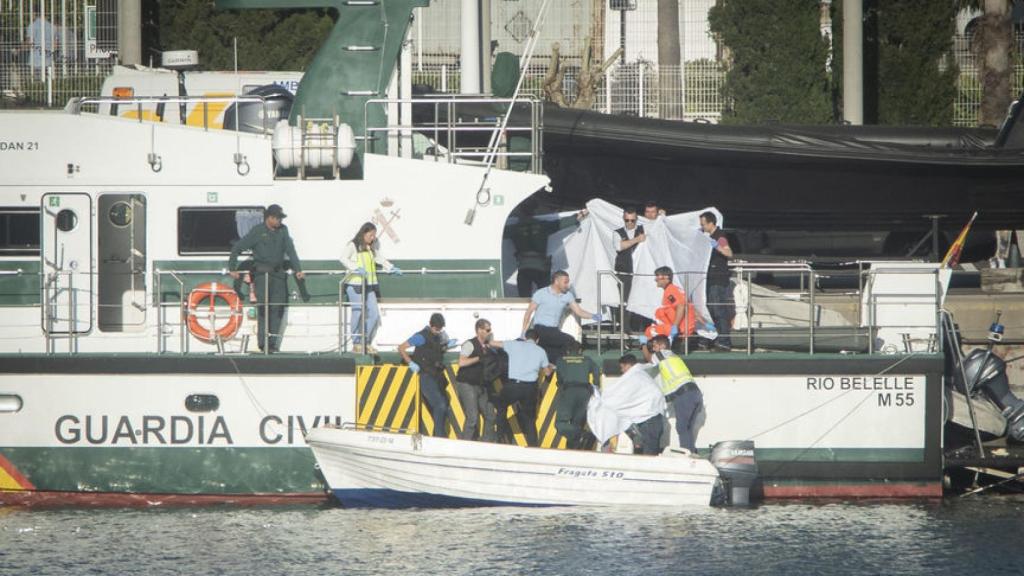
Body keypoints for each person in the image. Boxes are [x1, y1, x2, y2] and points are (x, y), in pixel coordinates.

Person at [228, 204, 304, 353]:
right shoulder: (257, 231)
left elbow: (291, 250)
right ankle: (263, 343)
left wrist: (298, 270)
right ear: (270, 218)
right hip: (262, 276)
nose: (280, 221)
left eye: (281, 218)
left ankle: (273, 343)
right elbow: (237, 248)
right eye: (277, 218)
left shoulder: (283, 230)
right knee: (264, 308)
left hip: (278, 275)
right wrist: (232, 268)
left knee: (278, 307)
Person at [586, 354, 667, 455]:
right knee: (651, 447)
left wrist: (599, 399)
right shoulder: (641, 373)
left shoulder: (632, 376)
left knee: (649, 451)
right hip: (655, 414)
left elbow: (617, 396)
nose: (622, 371)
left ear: (627, 365)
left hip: (648, 418)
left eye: (622, 367)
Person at [342, 222, 401, 354]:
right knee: (357, 312)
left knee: (374, 314)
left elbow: (379, 259)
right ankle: (356, 343)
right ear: (363, 233)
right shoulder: (353, 245)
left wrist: (391, 268)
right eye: (370, 235)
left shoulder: (370, 248)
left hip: (368, 285)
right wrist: (355, 268)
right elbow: (343, 258)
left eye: (374, 235)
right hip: (355, 285)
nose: (373, 238)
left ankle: (365, 342)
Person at [521, 270, 602, 363]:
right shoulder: (541, 293)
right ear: (556, 281)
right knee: (570, 341)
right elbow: (528, 313)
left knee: (552, 349)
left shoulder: (567, 295)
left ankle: (551, 364)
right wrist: (523, 332)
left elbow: (579, 311)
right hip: (539, 329)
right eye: (565, 282)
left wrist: (594, 316)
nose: (567, 285)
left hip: (553, 330)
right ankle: (560, 364)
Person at [399, 313, 458, 438]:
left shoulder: (438, 337)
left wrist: (446, 346)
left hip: (436, 375)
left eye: (440, 328)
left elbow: (436, 350)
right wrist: (411, 363)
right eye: (437, 328)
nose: (438, 331)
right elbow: (401, 348)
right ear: (431, 325)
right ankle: (439, 437)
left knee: (443, 406)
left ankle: (437, 435)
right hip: (425, 375)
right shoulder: (421, 336)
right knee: (440, 405)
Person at [643, 335, 702, 452]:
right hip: (694, 393)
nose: (653, 349)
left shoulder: (661, 354)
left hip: (683, 394)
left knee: (682, 428)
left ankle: (687, 456)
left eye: (654, 346)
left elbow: (649, 359)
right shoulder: (673, 356)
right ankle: (691, 452)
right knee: (688, 428)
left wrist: (643, 346)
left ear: (663, 346)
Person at [497, 329, 553, 446]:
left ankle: (500, 437)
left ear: (525, 337)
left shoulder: (514, 345)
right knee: (529, 419)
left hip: (512, 386)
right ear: (537, 340)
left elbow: (495, 343)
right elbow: (547, 373)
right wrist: (550, 367)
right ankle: (533, 446)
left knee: (501, 407)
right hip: (530, 388)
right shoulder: (541, 351)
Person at [455, 318, 503, 442]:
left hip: (481, 385)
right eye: (487, 330)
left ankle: (485, 442)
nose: (489, 332)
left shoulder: (487, 346)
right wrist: (478, 358)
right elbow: (461, 362)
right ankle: (464, 444)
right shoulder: (470, 344)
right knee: (472, 418)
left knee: (490, 415)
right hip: (467, 384)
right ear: (479, 330)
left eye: (490, 330)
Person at [553, 340, 601, 449]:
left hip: (569, 391)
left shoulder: (561, 360)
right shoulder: (587, 360)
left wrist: (560, 385)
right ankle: (573, 448)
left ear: (567, 350)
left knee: (560, 423)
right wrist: (596, 385)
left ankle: (582, 434)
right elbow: (596, 371)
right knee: (577, 421)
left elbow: (559, 377)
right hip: (584, 392)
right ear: (580, 350)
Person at [700, 211, 734, 350]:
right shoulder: (706, 236)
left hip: (718, 279)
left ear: (711, 223)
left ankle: (725, 340)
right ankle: (712, 337)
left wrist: (716, 246)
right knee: (711, 309)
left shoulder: (720, 236)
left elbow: (729, 252)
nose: (702, 227)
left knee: (718, 309)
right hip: (710, 278)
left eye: (703, 224)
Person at [644, 266, 697, 343]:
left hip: (680, 328)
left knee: (648, 331)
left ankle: (646, 347)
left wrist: (675, 327)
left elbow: (681, 306)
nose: (655, 279)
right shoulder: (676, 290)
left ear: (666, 278)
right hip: (685, 327)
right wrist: (705, 323)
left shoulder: (670, 291)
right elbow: (690, 308)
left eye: (658, 276)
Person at [613, 208, 645, 332]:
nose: (630, 223)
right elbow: (619, 246)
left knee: (640, 300)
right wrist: (637, 239)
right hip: (624, 273)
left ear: (636, 219)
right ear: (623, 219)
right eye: (627, 220)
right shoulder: (617, 233)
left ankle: (640, 328)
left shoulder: (643, 229)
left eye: (632, 220)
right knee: (624, 301)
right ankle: (624, 329)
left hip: (641, 272)